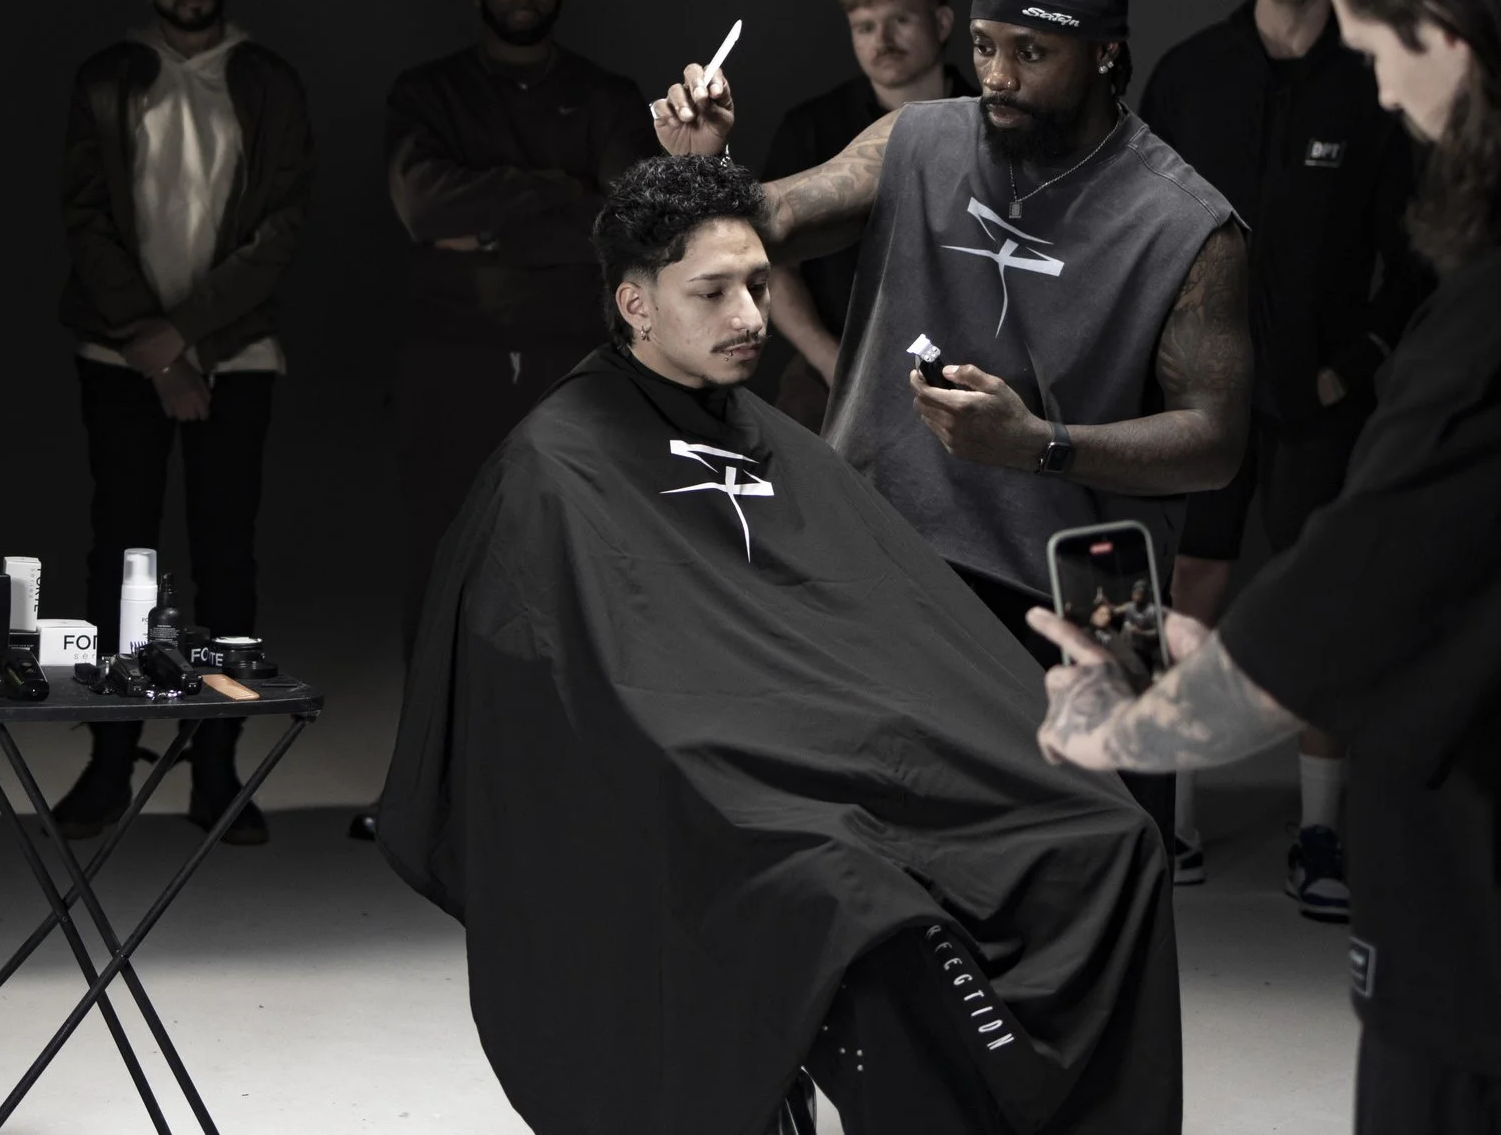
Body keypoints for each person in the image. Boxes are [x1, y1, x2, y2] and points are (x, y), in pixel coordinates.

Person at [380, 153, 1182, 1135]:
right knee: (849, 894)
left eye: (758, 285)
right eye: (710, 292)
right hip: (705, 788)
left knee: (1105, 833)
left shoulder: (774, 439)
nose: (750, 316)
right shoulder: (555, 465)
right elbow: (577, 685)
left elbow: (879, 618)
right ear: (634, 305)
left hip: (841, 748)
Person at [1032, 0, 1498, 1135]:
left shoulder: (1481, 320)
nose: (1357, 43)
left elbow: (1327, 625)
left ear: (1450, 15)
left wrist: (1110, 726)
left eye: (1371, 6)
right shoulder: (1194, 76)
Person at [654, 0, 1255, 860]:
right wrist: (708, 163)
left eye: (1031, 52)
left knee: (1097, 882)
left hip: (1088, 592)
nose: (999, 78)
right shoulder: (919, 141)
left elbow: (1217, 443)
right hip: (891, 557)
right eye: (983, 46)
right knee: (881, 879)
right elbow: (772, 219)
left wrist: (1040, 447)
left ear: (1104, 52)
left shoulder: (1190, 225)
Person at [1137, 0, 1434, 907]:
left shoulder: (1372, 84)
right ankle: (1167, 823)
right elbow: (1130, 233)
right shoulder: (1188, 74)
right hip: (1198, 396)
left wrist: (1352, 364)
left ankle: (1319, 836)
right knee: (1190, 594)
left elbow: (1418, 250)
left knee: (1323, 606)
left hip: (1318, 400)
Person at [363, 0, 657, 840]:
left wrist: (490, 215)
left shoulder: (606, 95)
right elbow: (422, 207)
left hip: (577, 358)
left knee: (576, 566)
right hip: (451, 355)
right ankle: (431, 792)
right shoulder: (428, 92)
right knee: (444, 568)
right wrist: (563, 198)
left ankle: (570, 785)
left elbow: (626, 221)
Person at [48, 0, 313, 847]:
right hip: (119, 356)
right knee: (119, 556)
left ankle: (217, 769)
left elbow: (280, 228)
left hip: (234, 356)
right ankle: (109, 762)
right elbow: (86, 222)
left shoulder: (269, 80)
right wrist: (153, 347)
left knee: (225, 558)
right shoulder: (108, 80)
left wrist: (187, 341)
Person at [761, 0, 979, 430]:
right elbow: (775, 266)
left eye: (900, 20)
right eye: (864, 27)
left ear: (942, 23)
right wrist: (831, 361)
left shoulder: (991, 118)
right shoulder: (811, 127)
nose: (882, 41)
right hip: (833, 359)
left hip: (968, 361)